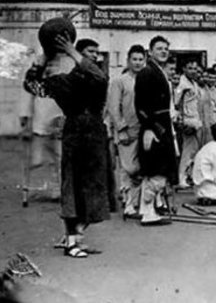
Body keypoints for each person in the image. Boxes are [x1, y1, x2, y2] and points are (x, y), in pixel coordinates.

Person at [23, 18, 110, 257]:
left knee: (95, 188)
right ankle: (72, 243)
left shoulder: (97, 78)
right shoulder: (64, 81)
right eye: (90, 52)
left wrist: (72, 50)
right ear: (76, 54)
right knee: (73, 186)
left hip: (95, 134)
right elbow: (32, 86)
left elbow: (99, 77)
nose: (95, 56)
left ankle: (76, 237)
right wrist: (43, 60)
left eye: (96, 53)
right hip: (75, 134)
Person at [135, 36, 178, 226]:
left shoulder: (158, 72)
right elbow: (141, 105)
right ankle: (148, 212)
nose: (163, 51)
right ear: (150, 51)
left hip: (162, 125)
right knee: (158, 171)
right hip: (155, 128)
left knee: (154, 170)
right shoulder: (147, 72)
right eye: (159, 48)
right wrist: (149, 129)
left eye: (166, 48)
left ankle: (147, 210)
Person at [107, 45, 146, 219]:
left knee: (142, 169)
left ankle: (136, 204)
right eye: (134, 59)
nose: (137, 63)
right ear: (128, 61)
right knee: (129, 168)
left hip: (143, 130)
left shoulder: (146, 80)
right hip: (127, 131)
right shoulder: (119, 81)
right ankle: (127, 202)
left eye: (140, 59)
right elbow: (114, 108)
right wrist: (121, 129)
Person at [18, 72, 64, 201]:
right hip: (40, 125)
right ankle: (34, 187)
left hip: (58, 122)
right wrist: (25, 117)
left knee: (59, 158)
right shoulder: (36, 77)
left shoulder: (63, 75)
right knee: (37, 160)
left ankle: (57, 189)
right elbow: (27, 97)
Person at [174, 59, 203, 187]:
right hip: (187, 119)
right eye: (190, 68)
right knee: (187, 151)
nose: (193, 71)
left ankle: (190, 175)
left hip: (195, 118)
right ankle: (182, 177)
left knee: (194, 150)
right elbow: (177, 103)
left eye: (195, 69)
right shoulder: (182, 84)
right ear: (184, 69)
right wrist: (181, 121)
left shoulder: (194, 83)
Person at [198, 68, 216, 146]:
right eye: (210, 77)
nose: (212, 80)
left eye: (214, 78)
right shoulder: (201, 89)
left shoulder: (215, 90)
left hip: (214, 120)